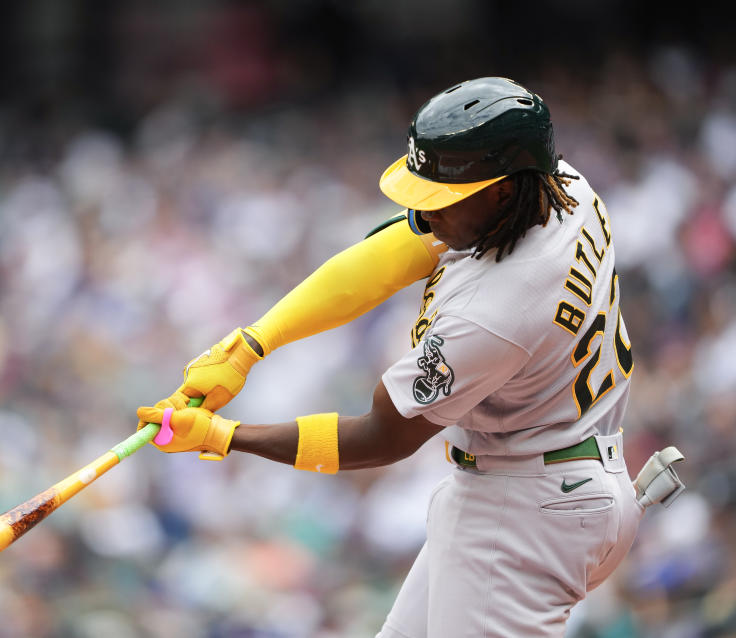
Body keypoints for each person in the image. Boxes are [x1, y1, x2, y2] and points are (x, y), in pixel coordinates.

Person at [136, 76, 684, 637]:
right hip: (557, 486)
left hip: (525, 517)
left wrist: (226, 437)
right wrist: (252, 344)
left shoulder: (493, 309)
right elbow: (400, 248)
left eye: (442, 198)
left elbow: (381, 437)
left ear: (501, 189)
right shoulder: (562, 189)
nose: (426, 213)